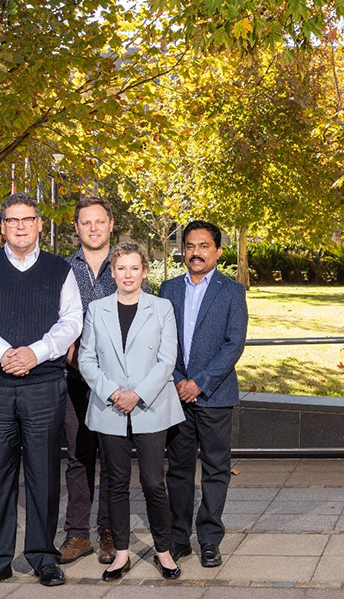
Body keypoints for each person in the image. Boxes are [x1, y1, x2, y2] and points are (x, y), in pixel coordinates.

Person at [0, 192, 82, 592]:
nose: (21, 226)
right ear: (3, 226)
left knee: (44, 474)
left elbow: (71, 321)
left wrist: (35, 352)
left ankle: (44, 558)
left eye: (27, 219)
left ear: (40, 224)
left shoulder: (60, 269)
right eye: (12, 220)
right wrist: (4, 352)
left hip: (44, 385)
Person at [77, 243, 184, 581]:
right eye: (121, 268)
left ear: (144, 272)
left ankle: (163, 550)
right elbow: (86, 359)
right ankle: (121, 553)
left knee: (154, 482)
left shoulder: (162, 307)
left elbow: (167, 360)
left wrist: (136, 395)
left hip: (150, 407)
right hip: (109, 408)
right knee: (117, 483)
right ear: (112, 272)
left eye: (134, 268)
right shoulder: (97, 309)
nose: (127, 275)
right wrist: (113, 393)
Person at [159, 220, 248, 569]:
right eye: (190, 246)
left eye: (203, 246)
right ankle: (178, 538)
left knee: (215, 469)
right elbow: (162, 341)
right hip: (176, 394)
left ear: (218, 251)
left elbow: (233, 344)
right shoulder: (167, 289)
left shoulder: (231, 290)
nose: (196, 252)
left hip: (215, 395)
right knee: (178, 470)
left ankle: (209, 539)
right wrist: (181, 381)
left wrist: (199, 382)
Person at [58, 197, 117, 565]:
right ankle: (78, 535)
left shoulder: (127, 265)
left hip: (115, 379)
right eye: (86, 222)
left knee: (113, 459)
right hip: (72, 377)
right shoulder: (61, 270)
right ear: (76, 228)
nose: (93, 228)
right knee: (79, 456)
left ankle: (110, 531)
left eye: (99, 221)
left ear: (111, 224)